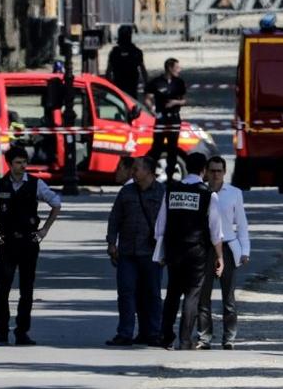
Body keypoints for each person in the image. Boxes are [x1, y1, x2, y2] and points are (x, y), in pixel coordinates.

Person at [0, 145, 61, 345]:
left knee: (26, 289)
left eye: (24, 162)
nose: (22, 166)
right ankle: (1, 332)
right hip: (7, 243)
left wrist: (44, 230)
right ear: (9, 163)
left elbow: (56, 203)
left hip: (28, 242)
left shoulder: (35, 184)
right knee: (3, 289)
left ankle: (22, 332)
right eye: (18, 162)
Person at [153, 152, 224, 350]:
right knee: (192, 295)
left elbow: (161, 225)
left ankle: (166, 337)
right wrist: (220, 256)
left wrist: (160, 250)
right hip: (196, 251)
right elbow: (215, 231)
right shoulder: (208, 194)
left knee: (173, 293)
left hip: (174, 249)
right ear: (204, 171)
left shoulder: (171, 190)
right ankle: (185, 340)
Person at [105, 157, 165, 347]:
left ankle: (153, 333)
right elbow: (114, 218)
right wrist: (111, 243)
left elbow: (170, 223)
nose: (133, 172)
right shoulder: (126, 192)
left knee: (152, 294)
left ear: (148, 171)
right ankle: (125, 333)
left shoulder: (162, 192)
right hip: (127, 252)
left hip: (152, 253)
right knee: (126, 293)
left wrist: (166, 251)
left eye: (137, 169)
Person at [197, 156, 251, 350]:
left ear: (224, 172)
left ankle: (229, 338)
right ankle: (204, 338)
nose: (216, 174)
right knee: (203, 297)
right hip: (206, 248)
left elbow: (242, 223)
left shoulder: (234, 193)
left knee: (228, 297)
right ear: (206, 171)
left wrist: (245, 250)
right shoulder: (200, 191)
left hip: (228, 246)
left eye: (219, 171)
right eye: (212, 171)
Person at [146, 58, 187, 181]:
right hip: (161, 119)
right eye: (177, 68)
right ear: (169, 68)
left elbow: (185, 100)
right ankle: (151, 175)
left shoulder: (179, 83)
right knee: (156, 148)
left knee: (172, 148)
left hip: (174, 119)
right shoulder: (157, 82)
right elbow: (148, 98)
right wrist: (152, 110)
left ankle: (170, 177)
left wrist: (176, 102)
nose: (179, 70)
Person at [105, 25, 148, 99]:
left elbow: (108, 71)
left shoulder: (134, 52)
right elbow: (109, 71)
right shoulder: (116, 52)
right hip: (122, 84)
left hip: (129, 84)